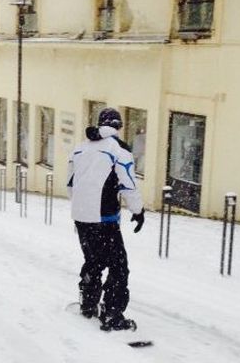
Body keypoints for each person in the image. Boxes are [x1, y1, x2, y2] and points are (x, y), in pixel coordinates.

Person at [66, 107, 145, 332]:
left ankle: (88, 303)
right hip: (105, 219)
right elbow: (128, 184)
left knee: (94, 260)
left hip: (81, 217)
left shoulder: (79, 148)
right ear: (118, 127)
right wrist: (138, 211)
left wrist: (82, 208)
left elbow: (70, 185)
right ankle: (112, 314)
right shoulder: (119, 150)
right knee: (119, 267)